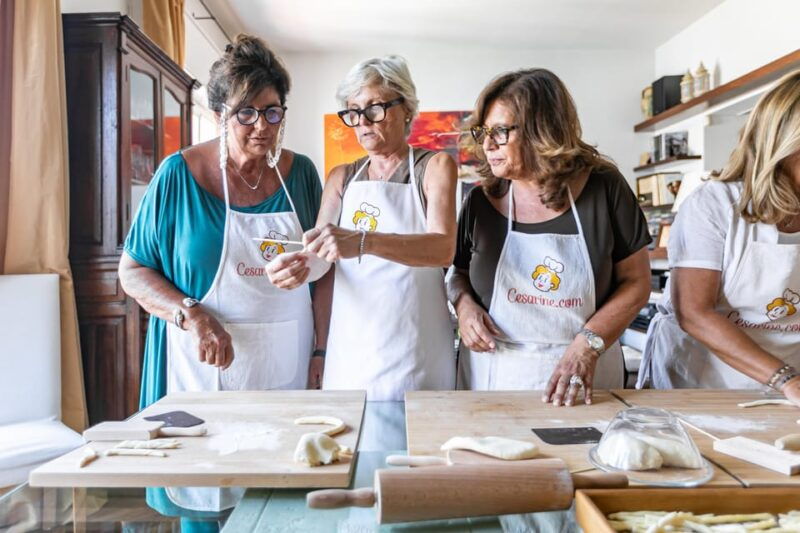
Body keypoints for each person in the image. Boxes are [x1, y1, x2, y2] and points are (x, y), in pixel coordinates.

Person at [118, 35, 327, 516]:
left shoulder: (303, 176)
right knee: (203, 493)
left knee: (281, 500)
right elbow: (132, 271)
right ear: (219, 115)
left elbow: (326, 273)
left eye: (272, 112)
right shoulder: (177, 175)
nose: (261, 126)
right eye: (246, 113)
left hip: (287, 366)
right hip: (200, 366)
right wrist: (190, 313)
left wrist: (322, 349)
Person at [449, 68, 652, 406]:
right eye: (483, 131)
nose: (487, 144)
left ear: (541, 130)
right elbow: (457, 273)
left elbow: (637, 283)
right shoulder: (480, 202)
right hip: (494, 380)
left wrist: (586, 347)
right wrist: (465, 306)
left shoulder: (604, 188)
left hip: (585, 378)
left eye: (500, 131)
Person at [273, 55, 458, 402]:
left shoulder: (434, 167)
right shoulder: (341, 177)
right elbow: (320, 257)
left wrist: (362, 241)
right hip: (352, 347)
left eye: (374, 108)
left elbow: (442, 248)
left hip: (415, 344)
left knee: (415, 447)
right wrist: (297, 267)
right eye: (354, 112)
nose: (362, 122)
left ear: (406, 108)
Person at [639, 70, 800, 406]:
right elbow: (695, 312)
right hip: (707, 383)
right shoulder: (715, 204)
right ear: (784, 147)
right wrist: (785, 378)